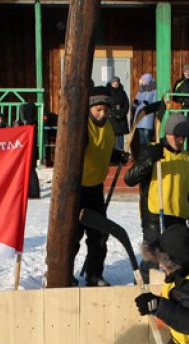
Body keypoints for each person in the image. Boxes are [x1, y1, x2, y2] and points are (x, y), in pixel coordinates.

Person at [124, 113, 189, 280]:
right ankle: (142, 292)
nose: (180, 141)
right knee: (152, 261)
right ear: (167, 134)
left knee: (175, 262)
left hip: (178, 217)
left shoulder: (185, 157)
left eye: (183, 137)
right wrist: (148, 161)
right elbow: (129, 178)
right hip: (155, 216)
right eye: (176, 136)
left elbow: (185, 190)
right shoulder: (154, 150)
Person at [72, 86, 128, 287]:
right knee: (73, 235)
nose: (103, 114)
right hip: (75, 190)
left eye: (106, 110)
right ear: (89, 108)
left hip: (95, 189)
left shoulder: (108, 127)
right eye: (98, 110)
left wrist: (116, 155)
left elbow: (101, 149)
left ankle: (94, 274)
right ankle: (63, 272)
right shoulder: (82, 127)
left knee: (99, 235)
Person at [131, 73, 158, 150]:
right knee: (141, 140)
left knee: (146, 140)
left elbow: (155, 103)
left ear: (148, 81)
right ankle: (142, 156)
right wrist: (135, 103)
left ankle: (147, 156)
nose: (142, 82)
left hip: (147, 117)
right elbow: (136, 103)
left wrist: (148, 104)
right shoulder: (141, 91)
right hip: (139, 118)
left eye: (143, 80)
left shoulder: (154, 91)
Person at [107, 76, 130, 151]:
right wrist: (111, 113)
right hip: (111, 119)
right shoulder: (108, 92)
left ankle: (121, 154)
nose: (115, 84)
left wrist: (122, 113)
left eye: (117, 83)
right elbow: (107, 105)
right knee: (111, 138)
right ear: (111, 83)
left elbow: (126, 105)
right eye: (114, 83)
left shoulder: (122, 93)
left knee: (120, 139)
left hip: (121, 120)